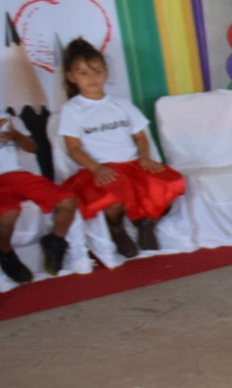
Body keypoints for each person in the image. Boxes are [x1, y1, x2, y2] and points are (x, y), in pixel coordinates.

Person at [57, 39, 185, 258]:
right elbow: (74, 149)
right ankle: (116, 229)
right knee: (114, 193)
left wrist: (145, 157)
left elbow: (140, 136)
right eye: (83, 73)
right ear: (71, 77)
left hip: (132, 164)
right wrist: (96, 169)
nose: (92, 78)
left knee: (171, 183)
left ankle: (146, 223)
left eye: (97, 71)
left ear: (106, 72)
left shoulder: (121, 104)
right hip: (102, 167)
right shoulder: (72, 109)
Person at [0, 112, 77, 282]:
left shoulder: (7, 118)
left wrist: (16, 136)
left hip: (18, 175)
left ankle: (55, 241)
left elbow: (32, 147)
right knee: (7, 218)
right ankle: (5, 254)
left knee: (67, 202)